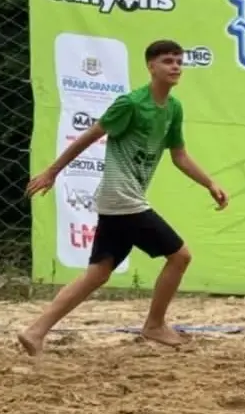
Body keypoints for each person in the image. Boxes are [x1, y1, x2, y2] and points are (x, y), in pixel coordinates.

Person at [17, 39, 228, 356]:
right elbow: (89, 137)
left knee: (98, 273)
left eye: (179, 62)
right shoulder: (130, 103)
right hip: (122, 198)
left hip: (119, 201)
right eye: (168, 61)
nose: (175, 67)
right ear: (151, 66)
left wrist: (209, 183)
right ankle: (155, 324)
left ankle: (35, 331)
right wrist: (52, 171)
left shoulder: (173, 108)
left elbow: (179, 156)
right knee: (180, 256)